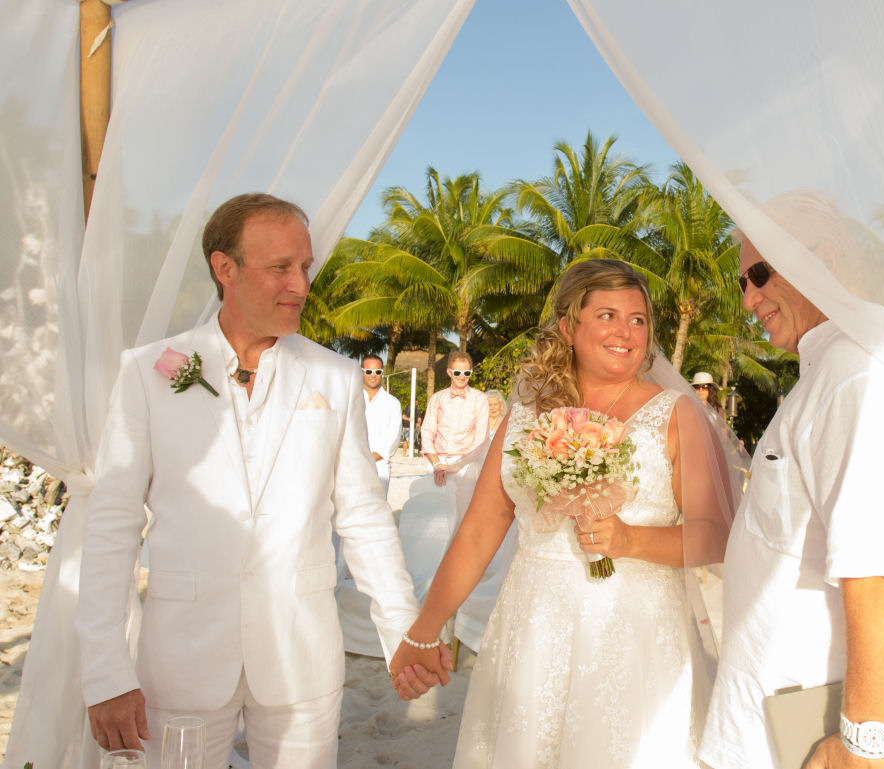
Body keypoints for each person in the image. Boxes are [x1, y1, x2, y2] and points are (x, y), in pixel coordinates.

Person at [75, 193, 442, 767]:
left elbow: (365, 517)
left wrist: (400, 628)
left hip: (302, 658)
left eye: (305, 266)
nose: (300, 285)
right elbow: (111, 527)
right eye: (280, 267)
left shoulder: (335, 376)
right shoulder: (148, 372)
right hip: (181, 660)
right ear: (225, 268)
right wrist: (105, 670)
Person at [389, 259, 740, 768]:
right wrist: (423, 630)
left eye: (638, 319)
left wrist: (631, 541)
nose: (625, 332)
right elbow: (479, 531)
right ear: (568, 327)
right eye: (607, 315)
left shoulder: (675, 414)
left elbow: (717, 535)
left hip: (633, 633)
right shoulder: (525, 414)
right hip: (535, 626)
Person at [700, 190, 884, 769]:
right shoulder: (832, 367)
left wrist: (864, 742)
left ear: (822, 260)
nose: (749, 298)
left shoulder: (861, 373)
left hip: (821, 724)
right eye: (743, 282)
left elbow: (879, 565)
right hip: (788, 708)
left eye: (759, 274)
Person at [421, 351, 489, 486]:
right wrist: (436, 463)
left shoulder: (480, 399)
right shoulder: (437, 398)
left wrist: (457, 465)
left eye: (467, 373)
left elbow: (480, 439)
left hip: (465, 464)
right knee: (432, 499)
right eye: (457, 373)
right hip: (436, 462)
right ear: (449, 372)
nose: (462, 377)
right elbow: (427, 431)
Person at [361, 354, 403, 495]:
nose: (373, 375)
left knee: (377, 506)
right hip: (352, 464)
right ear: (362, 372)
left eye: (377, 371)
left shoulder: (392, 403)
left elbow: (394, 438)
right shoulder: (352, 399)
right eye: (369, 371)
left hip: (379, 466)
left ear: (382, 373)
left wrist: (370, 457)